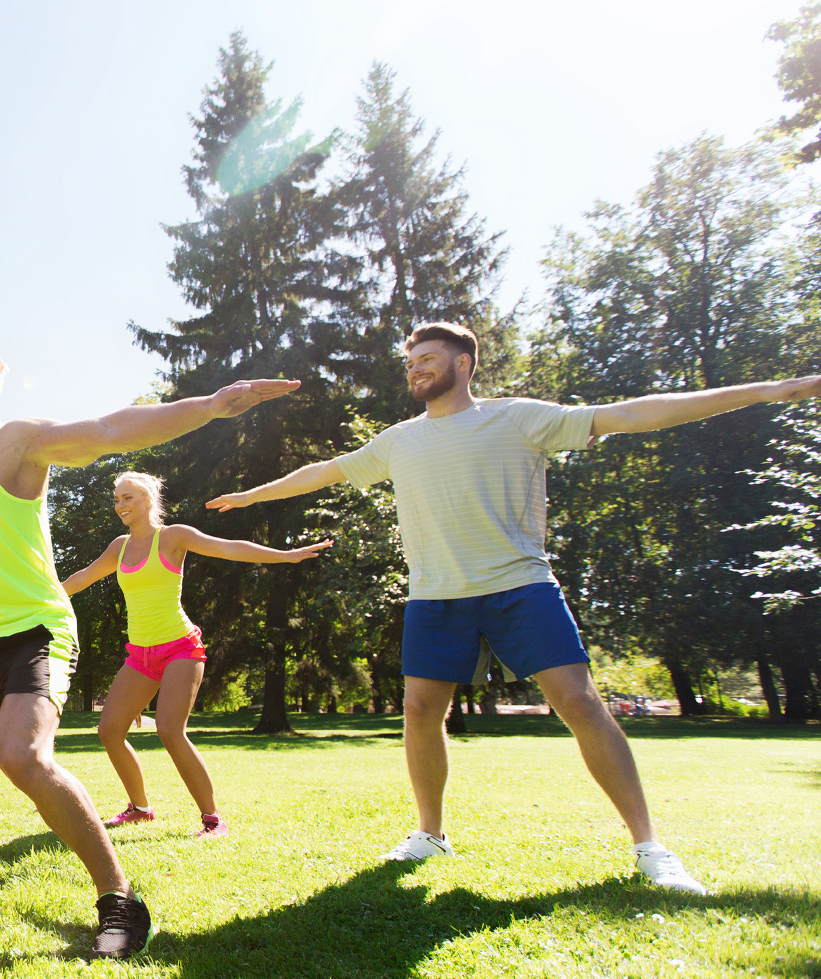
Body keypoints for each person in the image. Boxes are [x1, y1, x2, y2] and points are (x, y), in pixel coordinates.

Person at [208, 320, 821, 893]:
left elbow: (634, 415)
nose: (415, 370)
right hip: (436, 594)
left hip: (520, 586)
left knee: (579, 703)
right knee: (420, 711)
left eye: (427, 360)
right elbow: (323, 472)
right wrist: (249, 495)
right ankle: (429, 834)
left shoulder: (520, 419)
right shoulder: (399, 441)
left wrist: (773, 389)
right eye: (410, 363)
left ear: (464, 363)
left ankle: (650, 848)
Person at [0, 335, 298, 959]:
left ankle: (119, 898)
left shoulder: (15, 442)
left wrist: (209, 405)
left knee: (22, 757)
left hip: (36, 630)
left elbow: (109, 428)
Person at [61, 471, 331, 837]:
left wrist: (285, 556)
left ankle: (212, 819)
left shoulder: (173, 537)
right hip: (140, 653)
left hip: (180, 648)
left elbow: (230, 547)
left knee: (171, 731)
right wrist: (43, 598)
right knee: (109, 730)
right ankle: (140, 808)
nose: (121, 505)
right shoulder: (119, 547)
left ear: (148, 499)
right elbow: (82, 578)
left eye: (129, 497)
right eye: (117, 499)